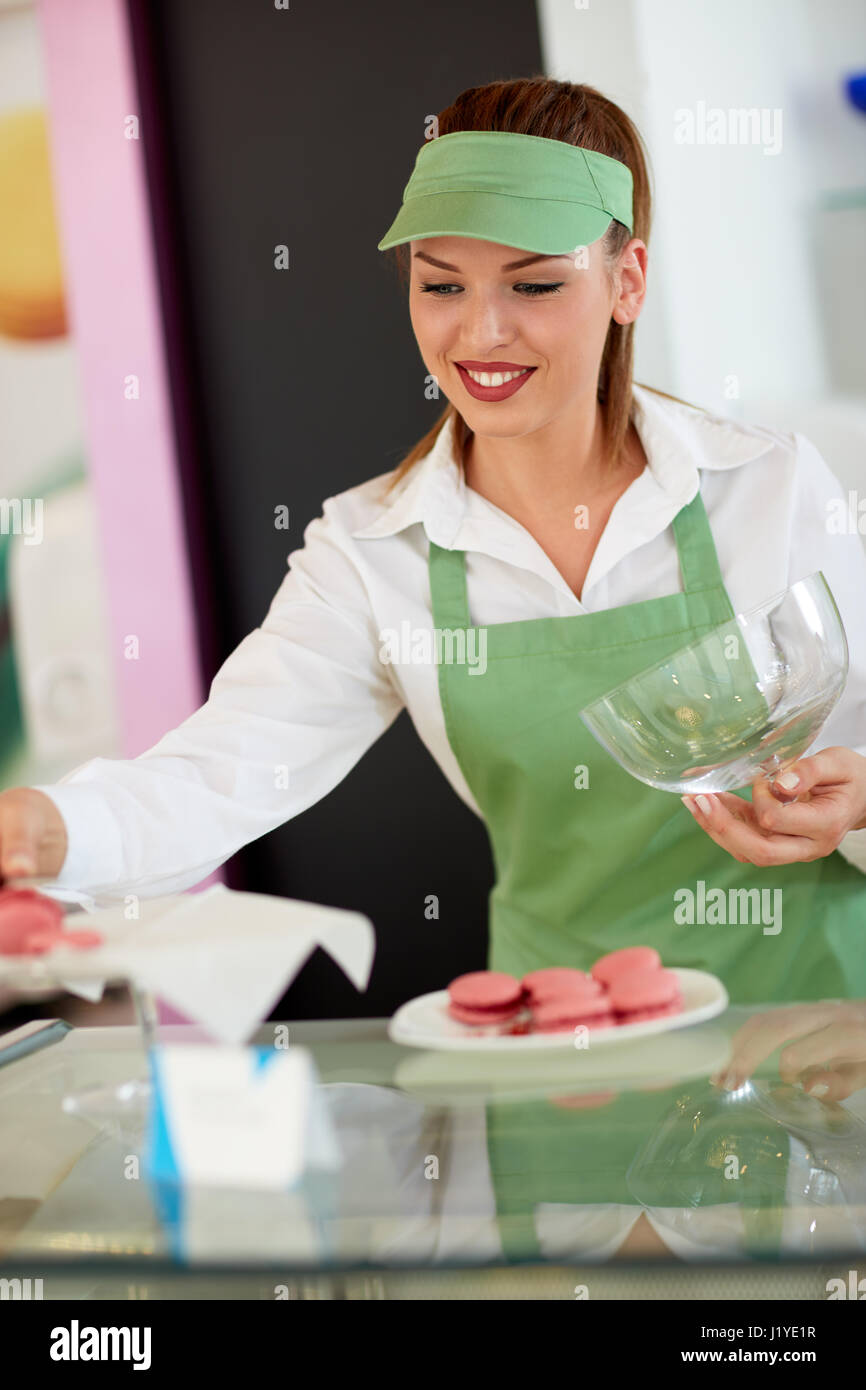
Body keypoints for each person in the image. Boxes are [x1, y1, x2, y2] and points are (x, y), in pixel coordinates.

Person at [2, 75, 866, 1007]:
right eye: (441, 284)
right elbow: (218, 775)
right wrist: (40, 829)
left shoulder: (764, 486)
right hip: (568, 1049)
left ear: (628, 282)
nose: (481, 333)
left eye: (534, 283)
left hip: (815, 1034)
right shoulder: (374, 552)